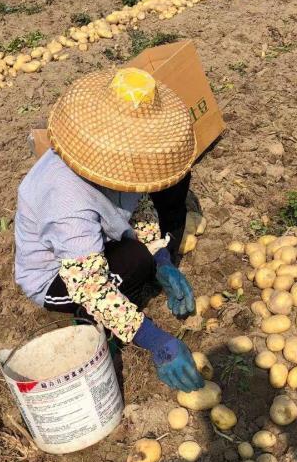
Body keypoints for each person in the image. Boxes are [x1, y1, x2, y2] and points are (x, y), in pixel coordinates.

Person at [14, 67, 205, 393]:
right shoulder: (66, 205)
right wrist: (155, 340)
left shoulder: (123, 159)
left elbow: (141, 203)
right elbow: (91, 287)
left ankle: (144, 270)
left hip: (97, 242)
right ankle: (93, 322)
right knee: (132, 263)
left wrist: (163, 262)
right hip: (56, 277)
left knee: (163, 211)